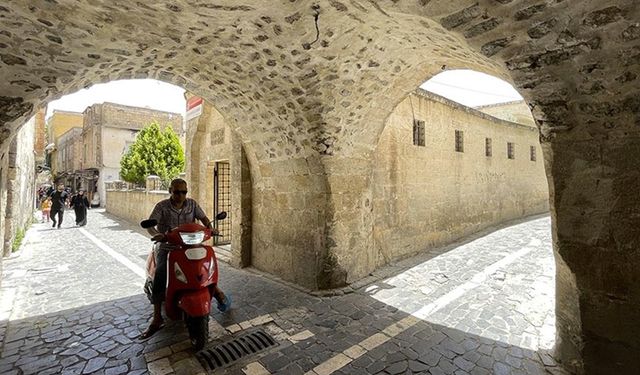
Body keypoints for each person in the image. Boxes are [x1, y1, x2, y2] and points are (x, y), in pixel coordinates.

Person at [139, 178, 230, 340]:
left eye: (184, 192)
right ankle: (157, 317)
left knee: (205, 266)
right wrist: (157, 235)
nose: (181, 195)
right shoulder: (162, 207)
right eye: (177, 192)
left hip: (192, 245)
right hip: (169, 246)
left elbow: (204, 219)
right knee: (161, 272)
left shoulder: (192, 204)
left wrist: (210, 228)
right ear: (170, 191)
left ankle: (216, 290)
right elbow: (151, 225)